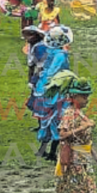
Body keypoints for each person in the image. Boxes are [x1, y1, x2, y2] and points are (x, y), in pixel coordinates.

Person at [46, 74, 97, 193]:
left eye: (87, 96)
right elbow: (62, 135)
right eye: (83, 96)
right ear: (73, 97)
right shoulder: (70, 114)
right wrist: (82, 127)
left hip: (82, 157)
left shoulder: (78, 113)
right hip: (76, 161)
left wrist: (95, 154)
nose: (86, 99)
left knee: (66, 192)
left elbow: (86, 140)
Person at [33, 25, 73, 160]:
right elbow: (54, 72)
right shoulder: (61, 56)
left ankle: (43, 150)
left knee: (46, 120)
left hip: (44, 89)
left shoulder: (50, 52)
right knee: (57, 119)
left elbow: (44, 70)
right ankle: (52, 152)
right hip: (56, 90)